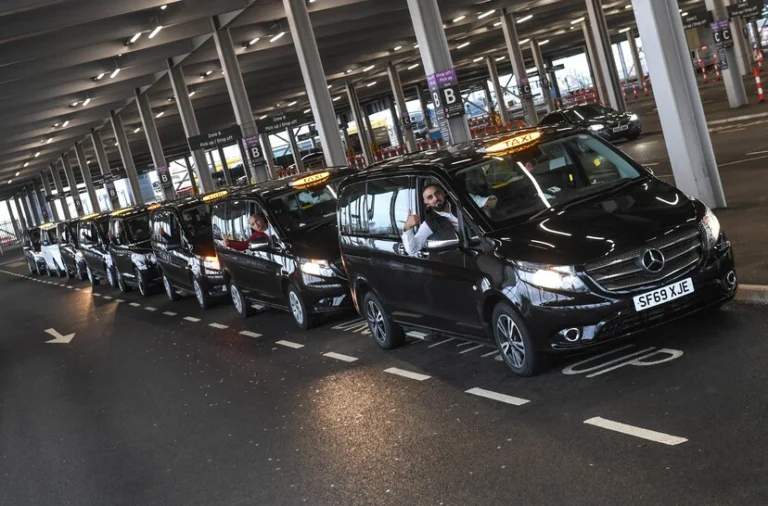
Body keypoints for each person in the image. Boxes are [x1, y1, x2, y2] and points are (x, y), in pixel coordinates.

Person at [401, 184, 459, 256]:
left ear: (443, 193)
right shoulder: (430, 222)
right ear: (427, 203)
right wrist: (407, 227)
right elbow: (412, 250)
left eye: (437, 193)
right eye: (430, 197)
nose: (435, 198)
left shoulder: (459, 202)